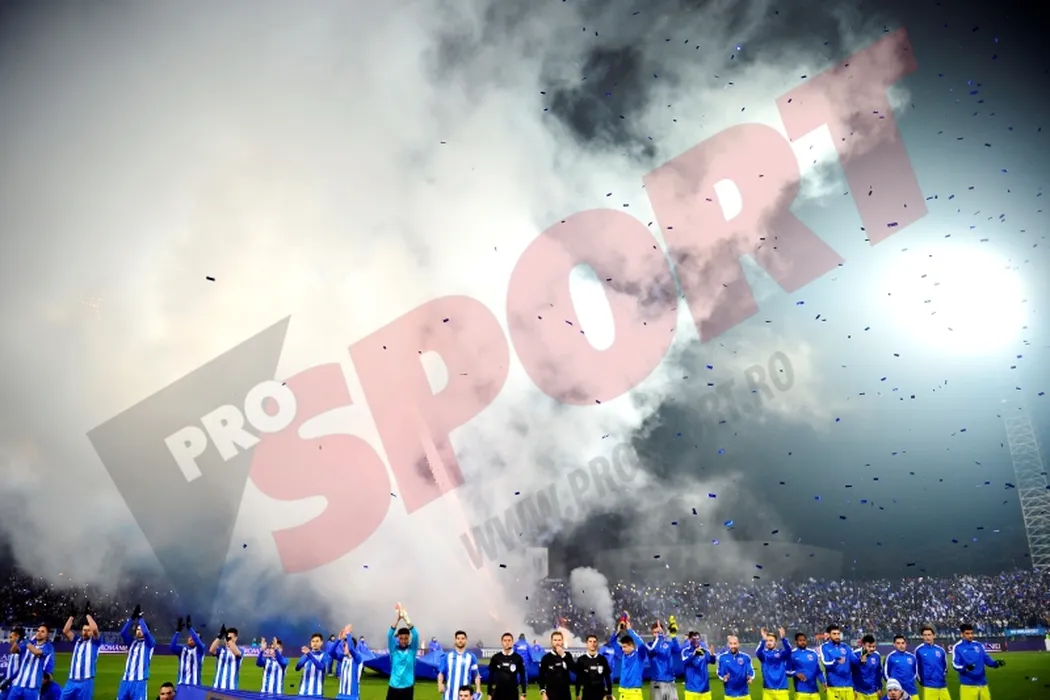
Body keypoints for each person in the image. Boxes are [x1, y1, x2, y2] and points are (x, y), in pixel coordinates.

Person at [951, 624, 1003, 700]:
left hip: (983, 684)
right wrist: (965, 667)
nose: (970, 636)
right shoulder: (958, 647)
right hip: (968, 685)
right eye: (967, 633)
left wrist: (995, 663)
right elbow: (955, 664)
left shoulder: (978, 645)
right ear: (962, 634)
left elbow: (986, 659)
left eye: (972, 633)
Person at [60, 606, 100, 700]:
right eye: (84, 630)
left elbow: (95, 629)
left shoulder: (95, 642)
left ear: (91, 632)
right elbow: (65, 631)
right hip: (71, 680)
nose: (85, 632)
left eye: (88, 630)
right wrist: (72, 616)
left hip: (85, 681)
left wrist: (88, 615)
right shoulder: (77, 640)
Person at [118, 607, 156, 700]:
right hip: (126, 680)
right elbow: (123, 632)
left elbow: (146, 633)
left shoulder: (149, 643)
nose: (139, 631)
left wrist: (140, 618)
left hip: (140, 681)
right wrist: (132, 618)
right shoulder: (132, 642)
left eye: (141, 629)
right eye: (138, 629)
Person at [8, 625, 54, 700]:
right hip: (18, 685)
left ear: (47, 635)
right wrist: (19, 639)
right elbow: (12, 651)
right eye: (38, 631)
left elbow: (36, 652)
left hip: (33, 687)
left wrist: (25, 638)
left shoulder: (48, 647)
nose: (39, 633)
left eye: (42, 632)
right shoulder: (29, 644)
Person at [386, 604, 419, 700]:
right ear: (398, 638)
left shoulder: (412, 650)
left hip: (407, 688)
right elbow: (389, 635)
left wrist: (406, 619)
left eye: (406, 638)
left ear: (409, 639)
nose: (403, 641)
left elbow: (416, 635)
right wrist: (398, 619)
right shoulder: (394, 650)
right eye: (401, 638)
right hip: (394, 687)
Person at [437, 631, 480, 700]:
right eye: (458, 638)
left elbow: (476, 675)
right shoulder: (447, 656)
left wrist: (478, 688)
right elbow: (441, 673)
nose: (460, 640)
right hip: (449, 695)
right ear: (455, 640)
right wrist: (440, 684)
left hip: (465, 695)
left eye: (462, 638)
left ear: (466, 640)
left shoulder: (471, 656)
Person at [818, 624, 856, 700]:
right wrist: (836, 661)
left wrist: (862, 660)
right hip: (834, 687)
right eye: (834, 634)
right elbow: (826, 663)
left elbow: (855, 662)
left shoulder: (846, 647)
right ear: (829, 635)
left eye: (838, 634)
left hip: (848, 686)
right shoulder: (824, 647)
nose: (837, 636)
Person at [611, 618, 646, 700]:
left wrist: (630, 630)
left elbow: (641, 645)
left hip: (635, 692)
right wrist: (618, 631)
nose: (622, 649)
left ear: (632, 646)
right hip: (623, 692)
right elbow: (612, 642)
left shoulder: (639, 655)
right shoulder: (623, 654)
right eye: (622, 647)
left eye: (625, 647)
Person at [914, 626, 951, 700]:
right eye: (925, 635)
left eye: (929, 635)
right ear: (922, 636)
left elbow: (945, 666)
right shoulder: (919, 650)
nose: (927, 637)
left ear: (933, 635)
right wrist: (922, 680)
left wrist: (941, 677)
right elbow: (916, 668)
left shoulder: (940, 650)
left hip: (942, 685)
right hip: (928, 686)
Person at [646, 620, 679, 700]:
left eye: (659, 632)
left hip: (671, 680)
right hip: (657, 681)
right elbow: (654, 651)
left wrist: (673, 636)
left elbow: (677, 650)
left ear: (663, 632)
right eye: (655, 632)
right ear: (652, 633)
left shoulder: (668, 644)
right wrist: (660, 637)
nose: (657, 634)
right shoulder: (649, 645)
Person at [487, 633, 527, 700]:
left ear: (512, 642)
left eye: (509, 640)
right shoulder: (496, 657)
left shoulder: (518, 658)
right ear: (502, 642)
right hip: (498, 692)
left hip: (512, 692)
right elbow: (491, 676)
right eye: (505, 640)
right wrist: (489, 693)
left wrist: (523, 693)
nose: (507, 643)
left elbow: (523, 676)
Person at [754, 627, 790, 700]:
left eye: (771, 640)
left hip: (782, 690)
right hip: (768, 691)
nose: (768, 642)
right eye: (767, 641)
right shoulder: (763, 654)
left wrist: (783, 639)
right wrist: (763, 640)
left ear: (775, 642)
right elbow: (757, 652)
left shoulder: (781, 653)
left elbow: (789, 651)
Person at [329, 626, 364, 700]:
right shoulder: (343, 658)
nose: (343, 647)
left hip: (353, 696)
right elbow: (330, 652)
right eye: (343, 645)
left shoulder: (358, 658)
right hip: (341, 695)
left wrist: (348, 634)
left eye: (345, 645)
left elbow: (350, 649)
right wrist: (338, 639)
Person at [170, 617, 206, 689]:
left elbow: (199, 644)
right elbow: (172, 647)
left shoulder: (200, 650)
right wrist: (178, 632)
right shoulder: (182, 649)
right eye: (190, 636)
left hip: (195, 686)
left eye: (195, 637)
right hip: (181, 686)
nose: (192, 638)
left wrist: (190, 629)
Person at [574, 635, 612, 700]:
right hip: (587, 694)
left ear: (597, 644)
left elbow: (607, 677)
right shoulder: (581, 659)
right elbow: (579, 678)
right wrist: (577, 694)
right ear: (586, 644)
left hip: (600, 693)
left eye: (594, 641)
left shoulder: (602, 659)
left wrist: (609, 693)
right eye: (590, 641)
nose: (592, 644)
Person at [680, 631, 716, 700]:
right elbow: (684, 661)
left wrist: (712, 655)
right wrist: (693, 654)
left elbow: (712, 662)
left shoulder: (705, 651)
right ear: (689, 639)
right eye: (694, 639)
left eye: (698, 639)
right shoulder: (685, 651)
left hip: (705, 690)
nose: (696, 641)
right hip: (691, 690)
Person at [715, 635, 753, 700]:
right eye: (731, 643)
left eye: (735, 643)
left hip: (744, 694)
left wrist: (750, 677)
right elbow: (719, 672)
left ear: (738, 644)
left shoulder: (746, 657)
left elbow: (751, 671)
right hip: (730, 695)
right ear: (728, 644)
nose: (733, 646)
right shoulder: (722, 658)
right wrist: (723, 678)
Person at [538, 631, 573, 700]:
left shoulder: (567, 655)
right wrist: (543, 692)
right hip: (551, 694)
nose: (557, 642)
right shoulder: (546, 658)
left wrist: (563, 655)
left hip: (565, 694)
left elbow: (574, 669)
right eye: (555, 640)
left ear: (562, 641)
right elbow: (541, 676)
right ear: (551, 642)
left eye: (559, 640)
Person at [209, 625, 243, 691]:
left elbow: (237, 653)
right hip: (217, 687)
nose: (227, 640)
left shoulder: (240, 650)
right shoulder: (221, 650)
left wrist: (228, 639)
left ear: (235, 638)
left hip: (231, 689)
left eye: (230, 638)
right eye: (226, 638)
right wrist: (219, 636)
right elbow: (211, 650)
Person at [852, 634, 882, 700]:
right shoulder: (855, 654)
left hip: (873, 692)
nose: (872, 649)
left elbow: (878, 673)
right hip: (859, 692)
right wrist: (853, 689)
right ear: (863, 645)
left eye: (874, 647)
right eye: (869, 646)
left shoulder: (877, 655)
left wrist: (879, 688)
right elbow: (849, 673)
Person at [2, 629, 26, 700]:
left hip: (15, 683)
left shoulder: (22, 648)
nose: (9, 639)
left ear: (17, 637)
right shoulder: (13, 649)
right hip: (7, 682)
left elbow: (21, 668)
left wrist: (9, 680)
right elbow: (9, 667)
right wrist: (3, 678)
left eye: (11, 637)